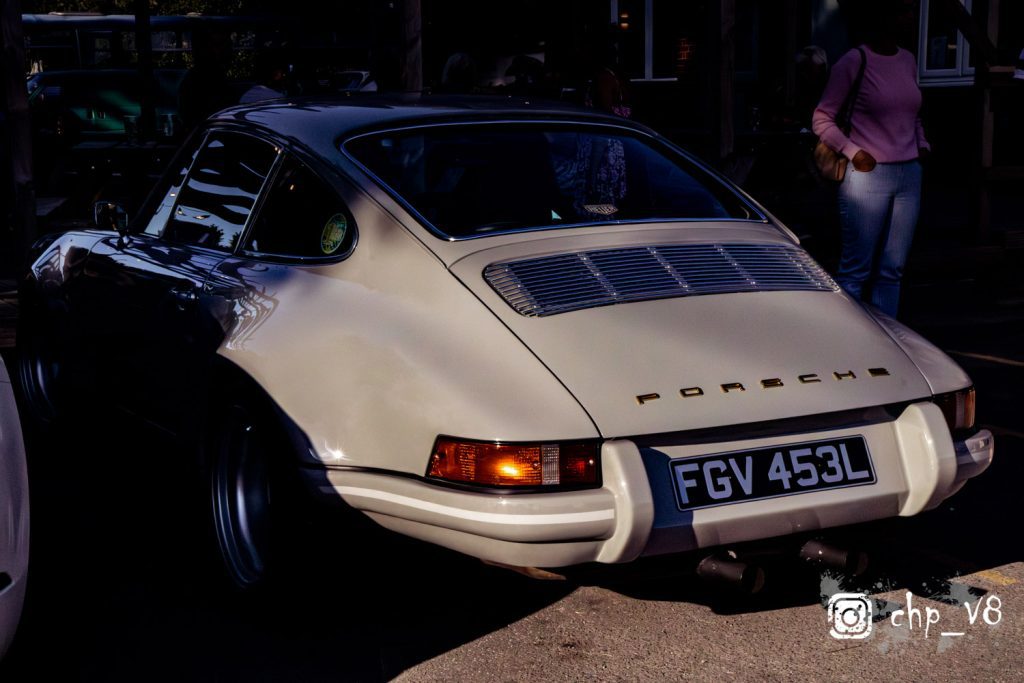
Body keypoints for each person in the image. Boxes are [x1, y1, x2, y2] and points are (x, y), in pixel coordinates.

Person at [812, 0, 928, 318]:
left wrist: (922, 143)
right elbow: (822, 118)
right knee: (856, 270)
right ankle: (847, 342)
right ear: (881, 17)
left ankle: (888, 342)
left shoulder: (908, 60)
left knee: (893, 269)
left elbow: (912, 112)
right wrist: (854, 153)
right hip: (868, 174)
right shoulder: (854, 60)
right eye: (902, 10)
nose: (909, 16)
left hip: (909, 174)